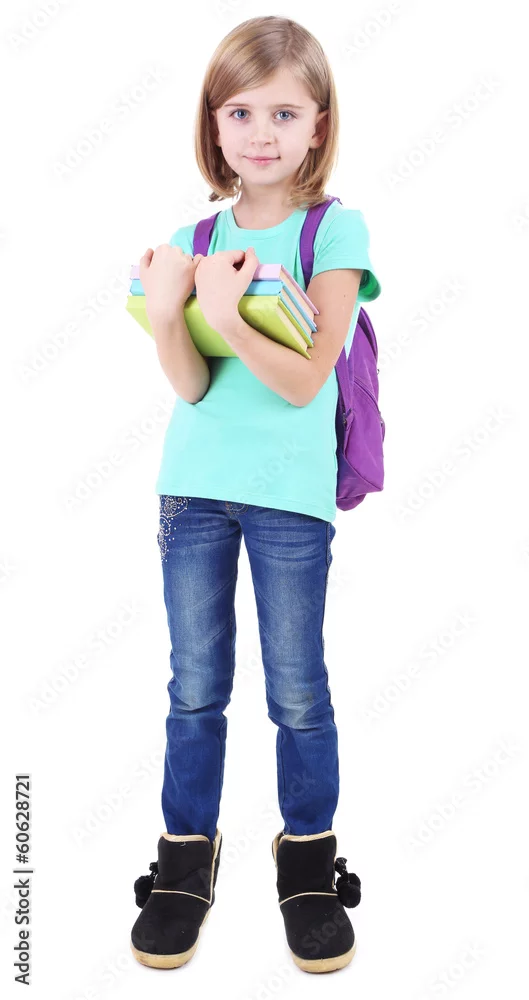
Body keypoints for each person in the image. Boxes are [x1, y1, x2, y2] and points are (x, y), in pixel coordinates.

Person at [130, 14, 381, 975]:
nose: (260, 133)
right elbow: (192, 387)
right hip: (192, 489)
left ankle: (307, 862)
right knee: (194, 686)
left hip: (289, 498)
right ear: (213, 122)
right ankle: (184, 857)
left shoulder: (334, 230)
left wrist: (226, 313)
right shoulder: (193, 237)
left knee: (296, 687)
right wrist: (170, 315)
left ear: (319, 124)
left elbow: (306, 380)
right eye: (239, 112)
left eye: (284, 112)